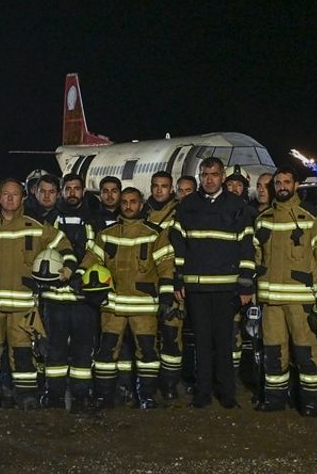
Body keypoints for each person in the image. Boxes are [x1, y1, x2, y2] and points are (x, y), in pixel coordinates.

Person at [0, 179, 73, 410]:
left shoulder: (36, 226)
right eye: (6, 194)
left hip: (23, 304)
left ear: (23, 198)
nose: (10, 198)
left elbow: (63, 243)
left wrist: (68, 265)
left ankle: (26, 397)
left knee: (23, 353)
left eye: (15, 194)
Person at [78, 187, 176, 410]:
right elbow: (91, 258)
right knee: (106, 352)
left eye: (133, 202)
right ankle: (105, 397)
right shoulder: (107, 233)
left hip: (144, 307)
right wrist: (78, 276)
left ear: (141, 205)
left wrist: (167, 296)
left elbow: (166, 266)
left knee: (148, 353)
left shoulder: (154, 233)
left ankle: (146, 396)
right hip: (112, 307)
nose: (129, 206)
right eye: (125, 202)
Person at [252, 166, 317, 416]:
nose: (281, 187)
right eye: (277, 183)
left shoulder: (311, 216)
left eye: (286, 182)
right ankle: (275, 399)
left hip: (301, 299)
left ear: (296, 185)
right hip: (271, 302)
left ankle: (311, 403)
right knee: (273, 351)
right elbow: (256, 257)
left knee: (306, 351)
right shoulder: (263, 218)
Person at [172, 157, 255, 409]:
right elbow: (178, 245)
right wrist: (179, 280)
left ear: (223, 176)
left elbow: (246, 246)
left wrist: (245, 286)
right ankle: (202, 393)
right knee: (202, 342)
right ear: (199, 176)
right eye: (205, 174)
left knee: (224, 342)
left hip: (226, 288)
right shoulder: (188, 205)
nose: (209, 179)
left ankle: (227, 394)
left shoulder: (237, 205)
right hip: (196, 287)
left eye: (214, 174)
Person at [41, 173, 99, 410]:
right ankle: (53, 395)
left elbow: (96, 250)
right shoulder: (51, 218)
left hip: (83, 297)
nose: (72, 193)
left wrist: (78, 272)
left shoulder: (92, 218)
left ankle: (81, 395)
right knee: (55, 350)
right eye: (68, 189)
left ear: (83, 191)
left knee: (83, 351)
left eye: (77, 188)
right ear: (62, 191)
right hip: (54, 297)